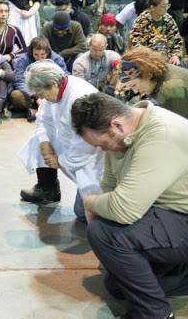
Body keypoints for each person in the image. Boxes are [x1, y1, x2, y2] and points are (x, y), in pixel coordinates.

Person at [70, 93, 188, 319]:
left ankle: (153, 313)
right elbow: (109, 182)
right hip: (168, 211)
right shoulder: (126, 131)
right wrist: (100, 206)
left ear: (116, 125)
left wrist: (90, 203)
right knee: (117, 285)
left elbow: (124, 209)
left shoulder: (160, 136)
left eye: (103, 144)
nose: (103, 150)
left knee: (105, 234)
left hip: (181, 215)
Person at [17, 60, 103, 220]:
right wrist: (44, 142)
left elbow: (87, 143)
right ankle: (48, 187)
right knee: (38, 138)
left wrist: (61, 161)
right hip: (72, 143)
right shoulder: (55, 94)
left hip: (92, 157)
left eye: (41, 93)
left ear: (53, 83)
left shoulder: (79, 97)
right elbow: (44, 118)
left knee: (83, 214)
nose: (41, 98)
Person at [115, 47, 188, 119]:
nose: (135, 91)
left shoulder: (170, 89)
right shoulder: (159, 71)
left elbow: (181, 126)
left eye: (134, 85)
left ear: (147, 75)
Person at [10, 36, 69, 121]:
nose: (39, 58)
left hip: (51, 94)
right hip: (32, 95)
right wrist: (36, 97)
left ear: (48, 52)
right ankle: (42, 111)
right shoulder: (23, 59)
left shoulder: (57, 59)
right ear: (31, 52)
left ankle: (37, 112)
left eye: (42, 54)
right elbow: (19, 81)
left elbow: (65, 77)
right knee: (15, 96)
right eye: (36, 55)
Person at [129, 0, 183, 65]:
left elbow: (177, 41)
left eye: (167, 5)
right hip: (148, 59)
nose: (166, 9)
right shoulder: (141, 21)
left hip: (168, 58)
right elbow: (136, 44)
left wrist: (176, 55)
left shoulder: (169, 20)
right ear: (152, 7)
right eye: (163, 6)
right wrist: (152, 56)